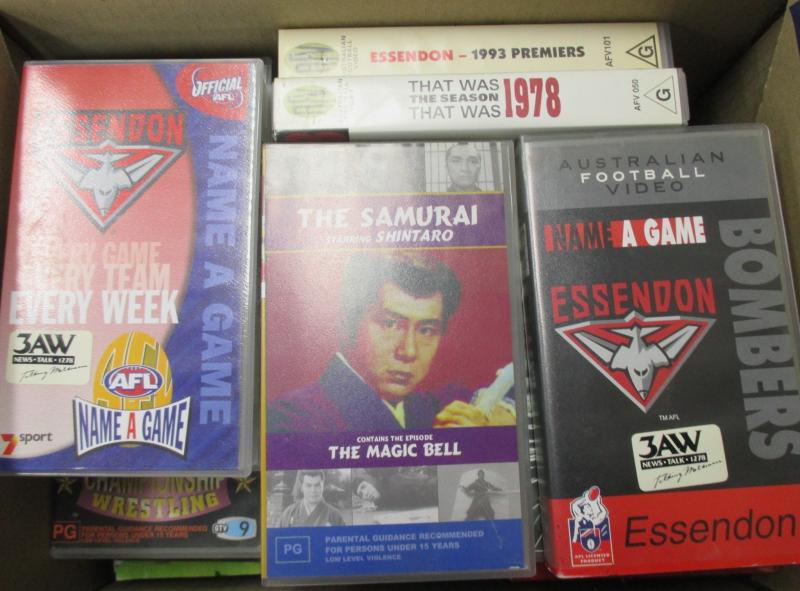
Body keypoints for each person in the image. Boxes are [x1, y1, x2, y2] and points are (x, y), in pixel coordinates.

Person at [268, 252, 513, 432]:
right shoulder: (295, 418)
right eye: (389, 324)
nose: (408, 350)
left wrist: (499, 417)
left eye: (426, 330)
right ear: (349, 321)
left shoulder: (431, 405)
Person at [277, 470, 345, 527]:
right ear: (301, 487)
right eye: (308, 485)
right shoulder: (289, 513)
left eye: (317, 485)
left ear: (323, 486)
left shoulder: (335, 516)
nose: (313, 490)